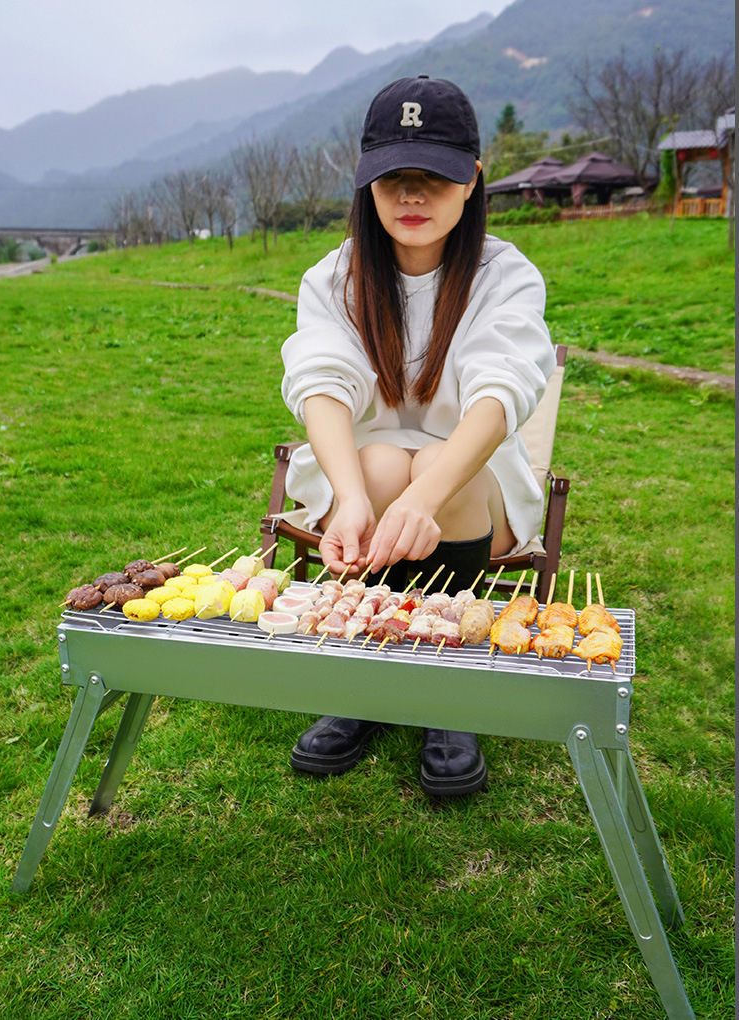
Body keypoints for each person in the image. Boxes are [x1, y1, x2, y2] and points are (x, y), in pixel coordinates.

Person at [280, 75, 556, 796]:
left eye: (433, 176)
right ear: (366, 184)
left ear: (472, 181)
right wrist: (349, 496)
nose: (412, 196)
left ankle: (446, 691)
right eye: (393, 178)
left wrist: (425, 493)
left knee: (436, 461)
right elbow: (321, 383)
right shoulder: (334, 278)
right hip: (364, 492)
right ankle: (366, 684)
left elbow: (502, 392)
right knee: (372, 464)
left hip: (472, 496)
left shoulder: (505, 275)